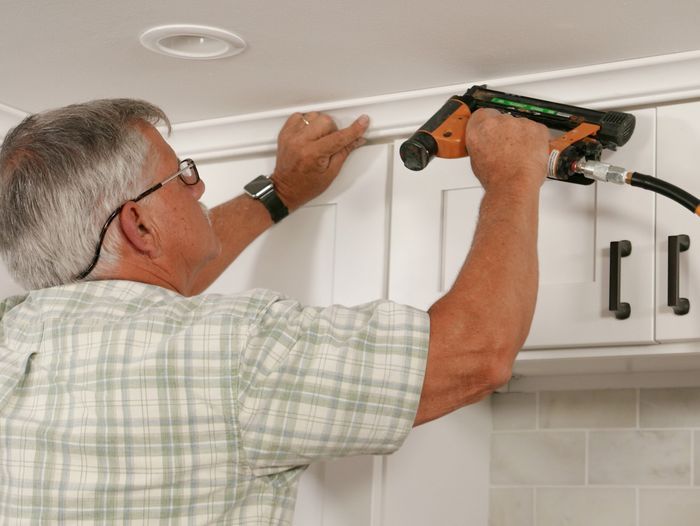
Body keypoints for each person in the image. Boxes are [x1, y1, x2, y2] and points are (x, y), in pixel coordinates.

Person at [0, 99, 549, 523]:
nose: (199, 187)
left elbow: (138, 298)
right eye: (181, 176)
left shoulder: (10, 331)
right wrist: (513, 178)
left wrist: (280, 191)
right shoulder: (237, 352)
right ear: (140, 227)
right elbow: (477, 352)